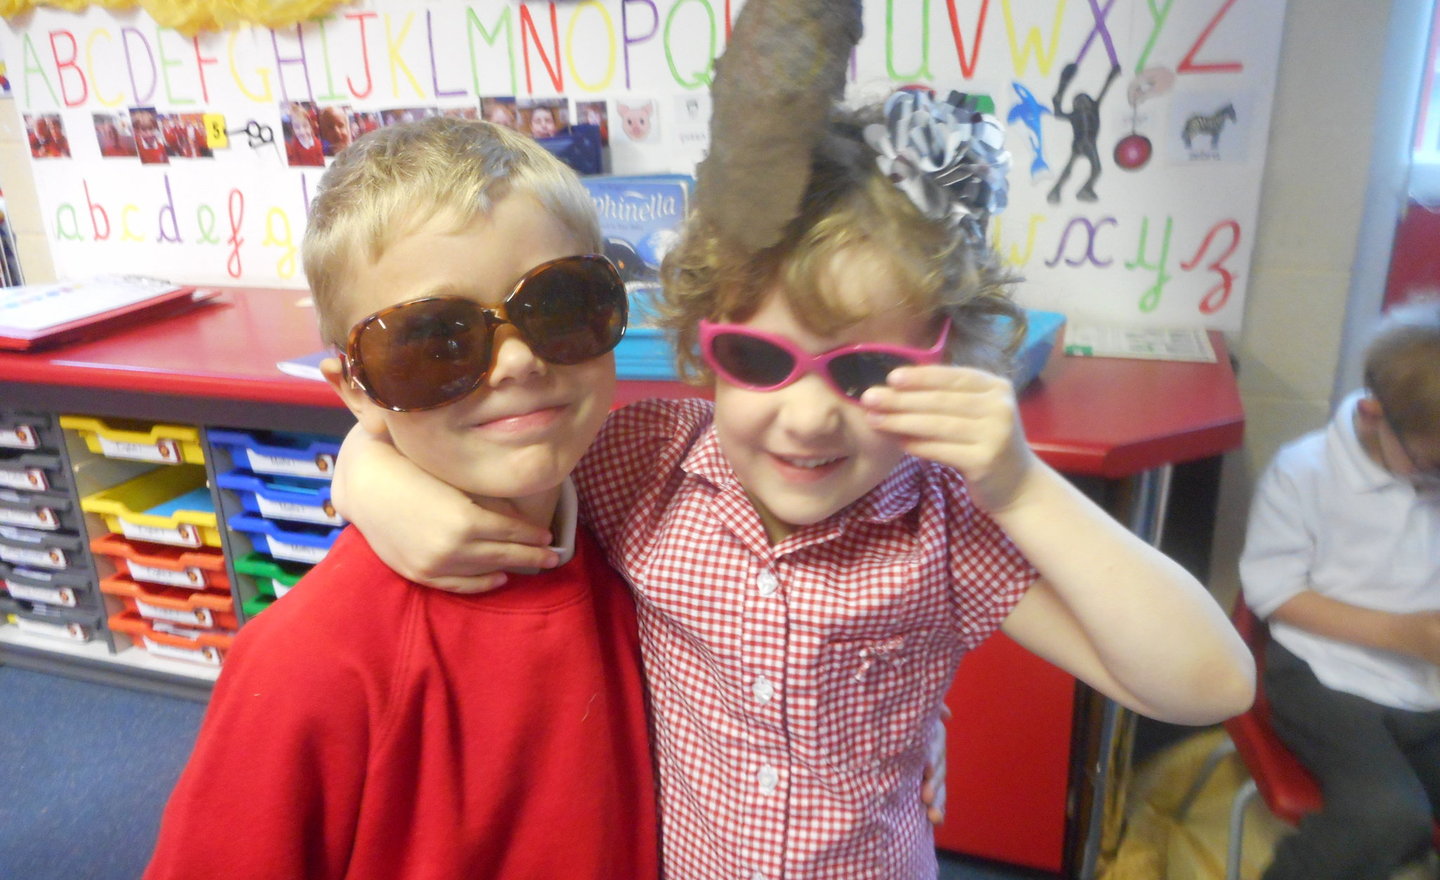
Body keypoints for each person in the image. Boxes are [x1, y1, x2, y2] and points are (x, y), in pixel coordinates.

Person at [332, 95, 1255, 877]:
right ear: (704, 346)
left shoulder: (943, 527)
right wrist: (362, 471)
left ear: (949, 359)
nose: (810, 417)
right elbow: (488, 451)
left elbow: (1208, 682)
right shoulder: (641, 461)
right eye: (759, 358)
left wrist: (1020, 486)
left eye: (866, 373)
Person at [143, 116, 658, 880]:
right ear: (356, 389)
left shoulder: (655, 526)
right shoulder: (309, 664)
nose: (516, 361)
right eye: (434, 341)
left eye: (557, 305)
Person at [1240, 298, 1440, 880]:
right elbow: (1274, 594)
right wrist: (1402, 632)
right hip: (1321, 675)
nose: (1434, 482)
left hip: (1421, 685)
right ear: (1377, 414)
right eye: (1429, 465)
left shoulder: (1424, 455)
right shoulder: (1305, 472)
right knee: (1387, 816)